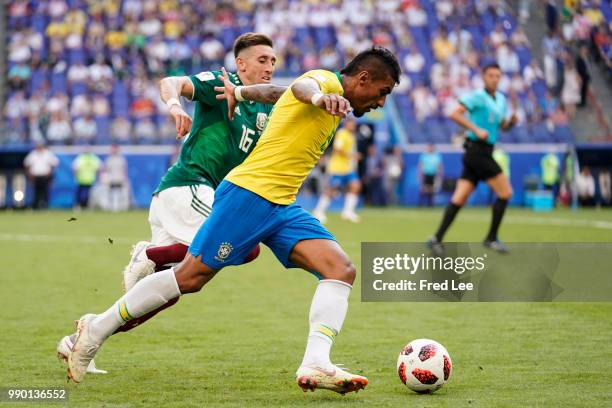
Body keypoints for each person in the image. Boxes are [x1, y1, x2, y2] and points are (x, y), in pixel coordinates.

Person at [65, 47, 401, 395]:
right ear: (364, 78)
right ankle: (95, 330)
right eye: (383, 92)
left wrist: (239, 92)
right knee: (190, 277)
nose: (381, 103)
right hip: (249, 195)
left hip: (282, 206)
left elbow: (278, 93)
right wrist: (319, 97)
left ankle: (316, 362)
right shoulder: (324, 82)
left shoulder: (332, 98)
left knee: (340, 270)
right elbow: (303, 88)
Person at [57, 33, 282, 373]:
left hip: (194, 198)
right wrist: (176, 106)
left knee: (168, 292)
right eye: (262, 60)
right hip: (189, 186)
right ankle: (148, 254)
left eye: (273, 61)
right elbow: (170, 82)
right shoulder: (221, 83)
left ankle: (83, 337)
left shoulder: (264, 104)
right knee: (246, 246)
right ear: (241, 63)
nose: (269, 67)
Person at [428, 63, 517, 255]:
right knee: (506, 193)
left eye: (498, 76)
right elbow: (453, 113)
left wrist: (510, 123)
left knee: (459, 198)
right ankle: (491, 238)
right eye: (491, 75)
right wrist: (475, 129)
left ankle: (436, 238)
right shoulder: (478, 96)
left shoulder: (501, 99)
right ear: (484, 77)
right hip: (477, 151)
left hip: (484, 151)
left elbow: (502, 126)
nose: (495, 79)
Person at [312, 117, 361, 223]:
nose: (353, 126)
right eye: (352, 124)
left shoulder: (351, 135)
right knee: (332, 189)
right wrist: (352, 155)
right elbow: (337, 150)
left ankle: (347, 211)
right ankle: (318, 211)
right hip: (337, 168)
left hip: (348, 168)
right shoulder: (342, 133)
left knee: (355, 186)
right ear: (346, 124)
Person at [23, 142, 59, 209]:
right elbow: (27, 164)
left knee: (45, 191)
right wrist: (29, 174)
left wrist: (50, 172)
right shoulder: (33, 154)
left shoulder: (48, 154)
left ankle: (45, 205)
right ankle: (36, 206)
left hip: (45, 175)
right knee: (36, 191)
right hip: (35, 176)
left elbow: (54, 163)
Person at [104, 144, 129, 212]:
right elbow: (106, 169)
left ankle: (121, 207)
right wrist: (106, 178)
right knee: (111, 193)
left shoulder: (121, 159)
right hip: (111, 179)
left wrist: (125, 178)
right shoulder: (109, 159)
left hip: (120, 178)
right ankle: (111, 207)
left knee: (121, 193)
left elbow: (124, 169)